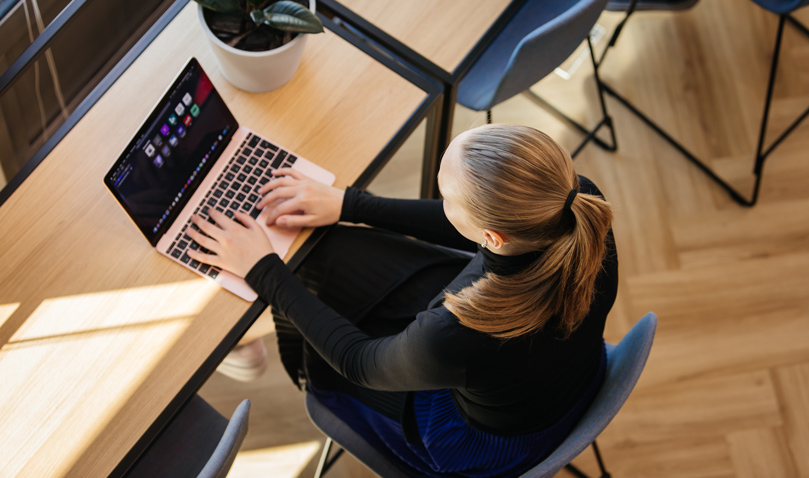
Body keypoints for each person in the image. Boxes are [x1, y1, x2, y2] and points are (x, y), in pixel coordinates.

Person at [185, 124, 618, 477]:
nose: (440, 198)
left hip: (485, 440)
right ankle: (250, 342)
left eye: (447, 197)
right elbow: (479, 224)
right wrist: (350, 204)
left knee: (316, 348)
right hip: (561, 379)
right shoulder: (576, 204)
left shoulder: (457, 334)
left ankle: (252, 351)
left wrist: (262, 268)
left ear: (493, 238)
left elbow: (357, 361)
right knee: (332, 265)